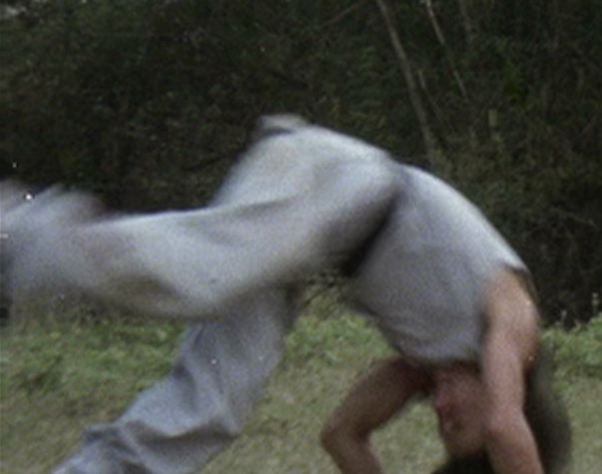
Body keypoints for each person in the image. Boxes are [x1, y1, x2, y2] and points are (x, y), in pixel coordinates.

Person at [0, 115, 570, 474]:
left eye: (441, 426)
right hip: (341, 183)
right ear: (518, 400)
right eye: (458, 422)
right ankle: (15, 233)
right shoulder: (515, 319)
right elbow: (501, 426)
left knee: (214, 405)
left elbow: (342, 435)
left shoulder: (432, 366)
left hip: (315, 235)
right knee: (190, 276)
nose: (441, 409)